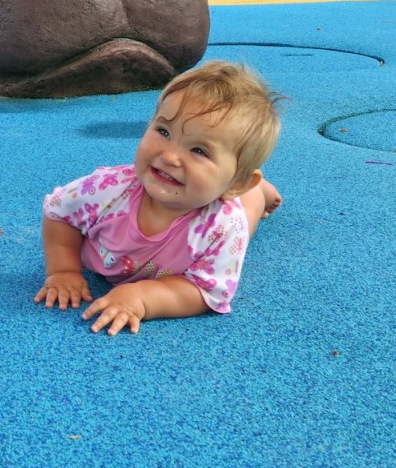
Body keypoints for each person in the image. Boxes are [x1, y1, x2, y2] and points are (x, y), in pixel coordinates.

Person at [33, 60, 284, 336]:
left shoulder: (223, 226)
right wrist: (63, 270)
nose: (169, 156)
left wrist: (144, 297)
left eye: (199, 151)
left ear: (236, 181)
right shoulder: (107, 190)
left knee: (246, 219)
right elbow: (59, 212)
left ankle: (255, 193)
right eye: (164, 132)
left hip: (215, 215)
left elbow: (206, 290)